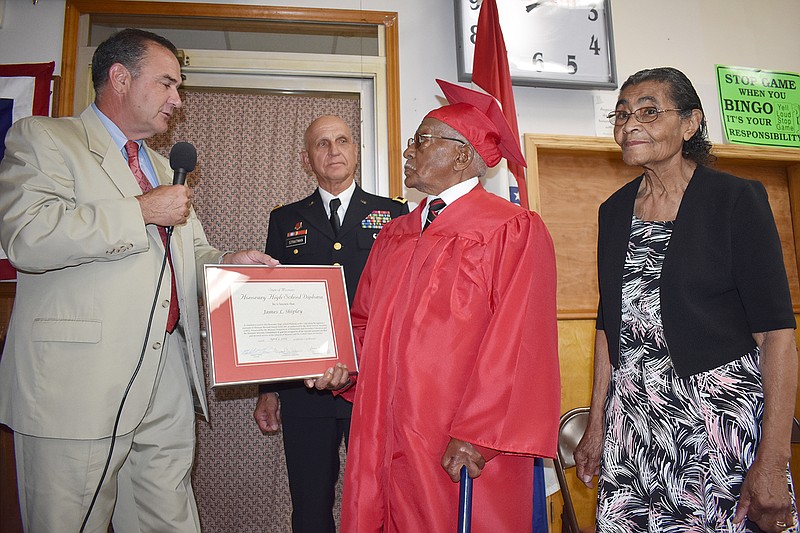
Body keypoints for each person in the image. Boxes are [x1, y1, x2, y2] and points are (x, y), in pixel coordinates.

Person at [0, 29, 277, 533]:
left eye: (179, 86)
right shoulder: (45, 139)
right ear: (120, 78)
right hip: (76, 386)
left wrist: (229, 264)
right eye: (167, 83)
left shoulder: (166, 167)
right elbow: (28, 236)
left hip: (166, 374)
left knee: (167, 521)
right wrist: (140, 211)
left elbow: (188, 256)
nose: (178, 99)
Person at [311, 79, 560, 532]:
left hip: (454, 436)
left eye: (421, 140)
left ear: (462, 156)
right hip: (383, 427)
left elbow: (520, 341)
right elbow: (364, 322)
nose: (409, 152)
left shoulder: (513, 229)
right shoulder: (396, 233)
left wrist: (477, 434)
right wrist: (344, 365)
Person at [573, 67, 798, 532]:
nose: (629, 124)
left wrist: (774, 460)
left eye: (649, 112)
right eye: (621, 114)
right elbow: (607, 326)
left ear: (690, 124)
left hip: (714, 428)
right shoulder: (613, 211)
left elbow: (776, 334)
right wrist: (597, 423)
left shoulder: (736, 200)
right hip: (632, 428)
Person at [252, 114, 407, 532]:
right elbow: (272, 305)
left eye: (342, 141)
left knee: (379, 495)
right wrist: (269, 389)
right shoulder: (284, 220)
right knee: (309, 502)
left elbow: (405, 301)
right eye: (322, 144)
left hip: (373, 381)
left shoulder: (394, 213)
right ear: (307, 159)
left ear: (356, 151)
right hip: (305, 386)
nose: (333, 150)